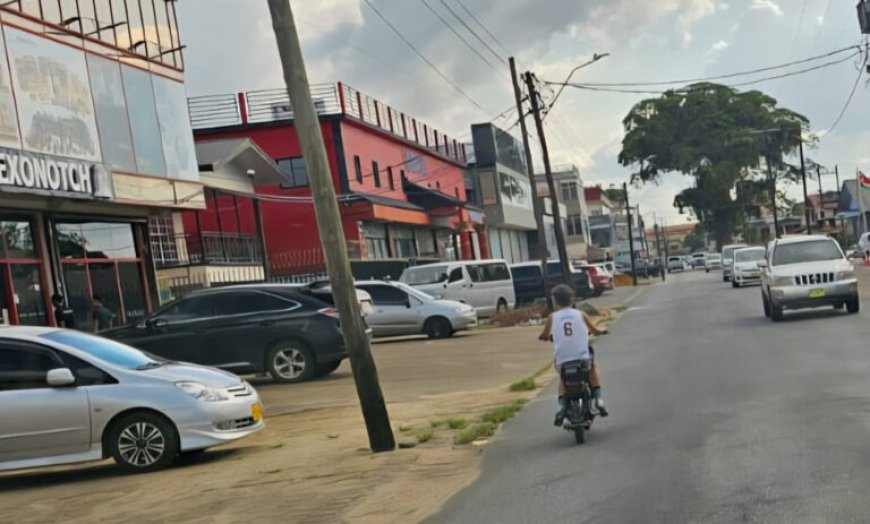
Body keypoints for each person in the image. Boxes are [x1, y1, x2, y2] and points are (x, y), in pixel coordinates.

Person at [538, 284, 608, 426]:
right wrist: (602, 330)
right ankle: (598, 399)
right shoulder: (581, 314)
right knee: (592, 367)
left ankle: (560, 407)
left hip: (562, 361)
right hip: (582, 360)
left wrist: (546, 337)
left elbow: (544, 335)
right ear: (572, 299)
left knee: (562, 378)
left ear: (555, 301)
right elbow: (594, 331)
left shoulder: (552, 317)